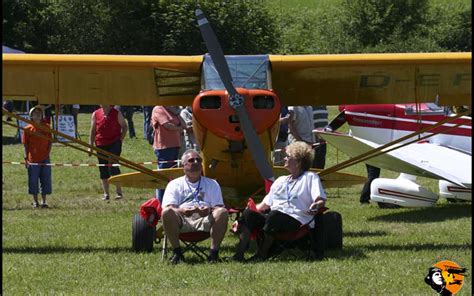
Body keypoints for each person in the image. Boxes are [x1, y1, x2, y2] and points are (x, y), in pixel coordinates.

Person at [231, 141, 327, 262]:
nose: (285, 158)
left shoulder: (310, 177)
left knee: (274, 215)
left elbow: (320, 199)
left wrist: (316, 204)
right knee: (249, 215)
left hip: (297, 220)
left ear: (298, 161)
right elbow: (265, 204)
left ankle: (262, 255)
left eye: (288, 156)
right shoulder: (281, 180)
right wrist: (248, 210)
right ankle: (239, 255)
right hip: (274, 218)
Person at [161, 149, 229, 264]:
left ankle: (213, 255)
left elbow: (218, 206)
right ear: (183, 165)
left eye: (199, 160)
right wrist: (182, 211)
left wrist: (209, 210)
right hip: (183, 221)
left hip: (205, 219)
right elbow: (169, 207)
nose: (196, 162)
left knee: (222, 212)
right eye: (191, 160)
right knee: (167, 212)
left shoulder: (212, 184)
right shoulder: (174, 184)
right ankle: (177, 253)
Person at [88, 105, 128, 201]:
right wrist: (90, 146)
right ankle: (106, 193)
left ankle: (119, 192)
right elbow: (93, 131)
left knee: (113, 167)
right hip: (100, 144)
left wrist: (120, 140)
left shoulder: (117, 113)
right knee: (103, 168)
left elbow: (124, 127)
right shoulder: (96, 114)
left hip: (114, 143)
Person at [151, 105, 186, 202]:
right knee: (163, 176)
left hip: (175, 145)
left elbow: (184, 125)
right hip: (163, 148)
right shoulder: (158, 109)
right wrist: (180, 128)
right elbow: (167, 125)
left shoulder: (173, 110)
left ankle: (171, 199)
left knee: (172, 175)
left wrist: (177, 114)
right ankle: (160, 201)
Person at [22, 105, 53, 208]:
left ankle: (44, 201)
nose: (37, 115)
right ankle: (35, 202)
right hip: (33, 159)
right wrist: (26, 158)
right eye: (35, 113)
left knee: (46, 180)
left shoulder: (47, 127)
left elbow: (50, 142)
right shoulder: (27, 129)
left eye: (39, 113)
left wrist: (47, 153)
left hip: (45, 158)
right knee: (33, 181)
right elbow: (25, 145)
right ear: (31, 116)